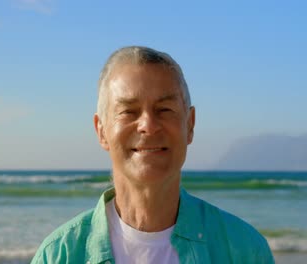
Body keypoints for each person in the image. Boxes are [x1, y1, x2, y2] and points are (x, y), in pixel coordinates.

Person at [31, 46, 274, 264]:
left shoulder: (244, 250)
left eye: (164, 109)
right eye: (129, 111)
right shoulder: (58, 255)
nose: (148, 124)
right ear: (101, 130)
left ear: (189, 125)